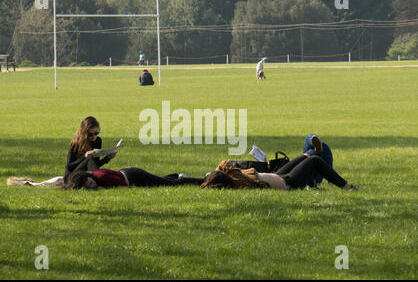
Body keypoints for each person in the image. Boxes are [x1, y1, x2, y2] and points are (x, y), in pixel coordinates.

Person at [201, 154, 358, 191]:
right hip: (288, 181)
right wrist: (214, 173)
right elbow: (223, 164)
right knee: (314, 159)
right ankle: (346, 186)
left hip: (279, 175)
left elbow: (221, 169)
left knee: (306, 156)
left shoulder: (235, 179)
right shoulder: (237, 178)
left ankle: (314, 182)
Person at [64, 116, 116, 183]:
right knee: (89, 159)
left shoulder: (98, 141)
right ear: (84, 133)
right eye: (90, 134)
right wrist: (84, 157)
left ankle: (102, 179)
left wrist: (107, 158)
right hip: (71, 177)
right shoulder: (75, 143)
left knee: (91, 160)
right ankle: (101, 179)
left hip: (87, 174)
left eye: (96, 133)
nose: (94, 136)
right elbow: (69, 167)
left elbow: (94, 165)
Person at [64, 168, 204, 189]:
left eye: (89, 182)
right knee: (160, 180)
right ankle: (176, 176)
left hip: (133, 177)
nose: (92, 184)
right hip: (129, 172)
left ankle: (202, 181)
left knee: (170, 185)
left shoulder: (101, 178)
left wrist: (101, 188)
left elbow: (123, 185)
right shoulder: (95, 174)